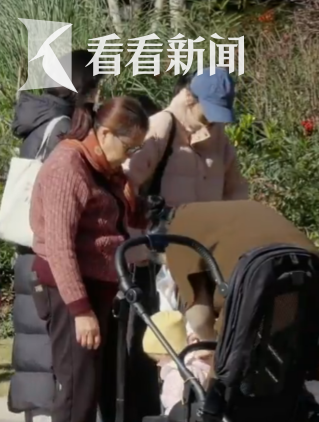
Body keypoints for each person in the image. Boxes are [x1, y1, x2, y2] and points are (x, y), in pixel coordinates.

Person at [28, 96, 149, 422]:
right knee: (77, 393)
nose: (130, 157)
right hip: (68, 290)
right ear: (105, 133)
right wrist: (80, 310)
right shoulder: (68, 167)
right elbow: (60, 246)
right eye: (129, 147)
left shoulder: (102, 167)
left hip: (98, 287)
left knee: (98, 385)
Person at [7, 49, 103, 422]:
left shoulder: (38, 120)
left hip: (31, 250)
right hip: (52, 253)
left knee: (39, 350)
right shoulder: (64, 129)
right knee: (56, 357)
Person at [123, 67, 249, 344]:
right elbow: (128, 181)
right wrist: (135, 238)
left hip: (208, 248)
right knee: (165, 328)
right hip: (160, 249)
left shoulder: (220, 138)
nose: (214, 119)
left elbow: (236, 191)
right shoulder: (162, 125)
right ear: (190, 97)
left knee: (201, 326)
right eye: (210, 109)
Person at [142, 310, 212, 415]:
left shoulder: (177, 376)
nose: (158, 364)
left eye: (157, 360)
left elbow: (175, 412)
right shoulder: (202, 362)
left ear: (168, 353)